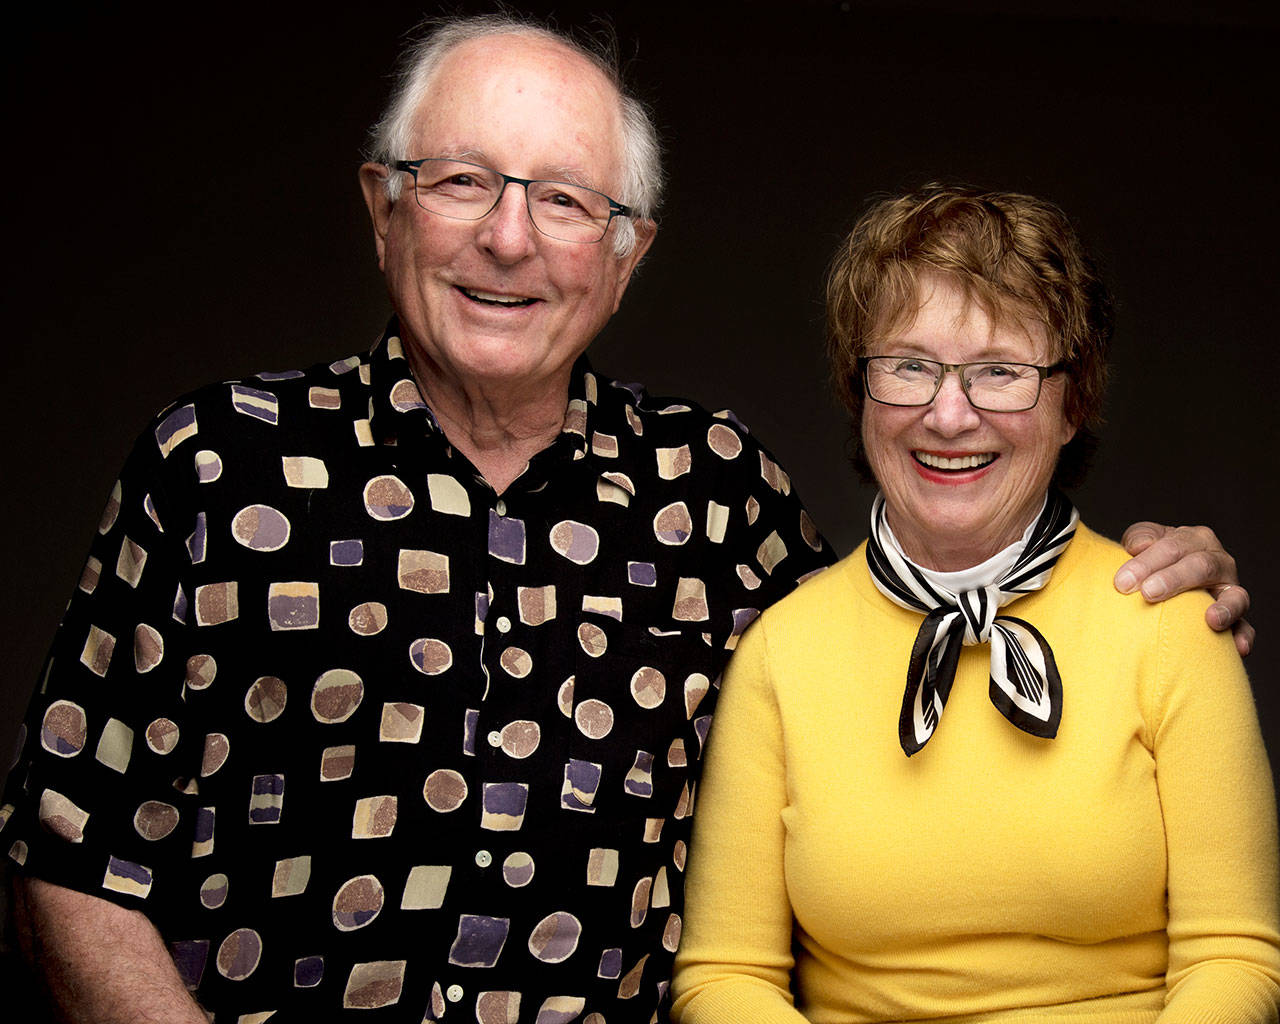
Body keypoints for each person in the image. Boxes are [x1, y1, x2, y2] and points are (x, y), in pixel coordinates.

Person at [0, 16, 1254, 1024]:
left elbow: (905, 635)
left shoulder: (716, 496)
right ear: (383, 205)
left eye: (562, 201)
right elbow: (70, 856)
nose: (506, 236)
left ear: (625, 254)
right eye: (460, 182)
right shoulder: (214, 467)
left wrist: (1147, 595)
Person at [670, 184, 1279, 1023]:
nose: (949, 414)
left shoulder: (1172, 623)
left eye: (1001, 372)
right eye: (909, 366)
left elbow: (1235, 958)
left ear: (1075, 404)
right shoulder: (783, 651)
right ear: (860, 394)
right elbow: (724, 977)